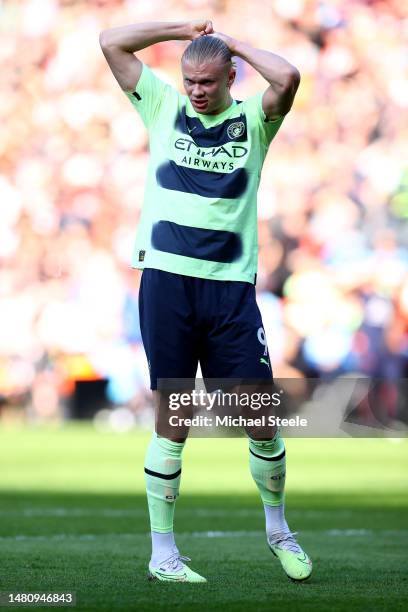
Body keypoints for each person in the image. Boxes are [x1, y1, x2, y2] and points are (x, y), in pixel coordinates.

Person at [99, 18, 312, 583]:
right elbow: (110, 42)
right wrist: (179, 30)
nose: (196, 90)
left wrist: (233, 40)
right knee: (174, 416)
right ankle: (163, 555)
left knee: (260, 418)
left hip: (230, 288)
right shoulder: (162, 107)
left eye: (208, 81)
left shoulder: (253, 121)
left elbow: (288, 76)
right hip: (166, 281)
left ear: (230, 77)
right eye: (189, 79)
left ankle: (278, 531)